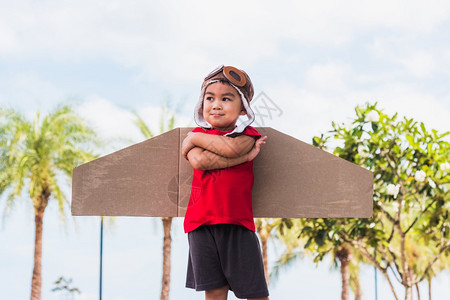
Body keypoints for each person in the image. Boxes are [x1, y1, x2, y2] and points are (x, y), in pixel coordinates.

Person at [182, 65, 269, 300]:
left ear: (243, 109)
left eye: (226, 98)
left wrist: (194, 138)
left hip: (236, 223)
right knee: (215, 292)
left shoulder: (246, 136)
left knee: (255, 294)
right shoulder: (200, 136)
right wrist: (244, 159)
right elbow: (199, 162)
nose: (216, 104)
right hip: (200, 224)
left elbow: (230, 148)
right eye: (210, 98)